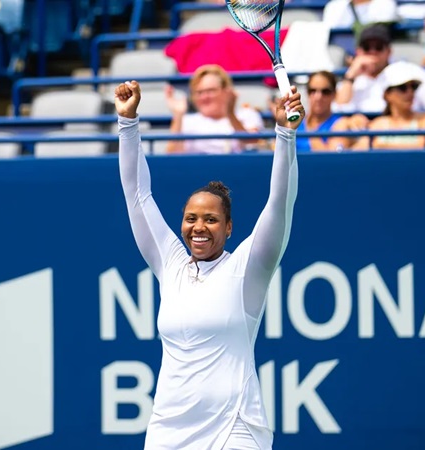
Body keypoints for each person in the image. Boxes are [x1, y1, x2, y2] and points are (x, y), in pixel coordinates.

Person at [115, 79, 304, 450]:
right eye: (191, 218)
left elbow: (280, 202)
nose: (198, 227)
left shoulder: (249, 268)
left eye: (211, 219)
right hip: (169, 429)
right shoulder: (169, 263)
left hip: (236, 427)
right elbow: (137, 196)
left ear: (230, 227)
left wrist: (285, 134)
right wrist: (128, 124)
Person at [334, 23, 425, 113]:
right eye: (367, 47)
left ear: (388, 51)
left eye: (379, 47)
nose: (373, 52)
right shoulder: (350, 78)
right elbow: (338, 109)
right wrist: (351, 76)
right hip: (359, 136)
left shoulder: (406, 70)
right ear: (358, 51)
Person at [165, 64, 264, 154]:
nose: (204, 97)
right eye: (199, 92)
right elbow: (172, 157)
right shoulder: (186, 121)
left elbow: (252, 141)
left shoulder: (247, 114)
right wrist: (178, 116)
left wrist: (230, 114)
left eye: (210, 91)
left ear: (226, 91)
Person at [352, 64, 425, 150]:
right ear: (387, 95)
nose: (410, 92)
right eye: (402, 88)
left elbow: (421, 146)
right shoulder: (378, 124)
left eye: (413, 87)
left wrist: (378, 145)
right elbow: (358, 149)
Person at [294, 70, 369, 152]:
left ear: (334, 94)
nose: (318, 97)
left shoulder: (341, 123)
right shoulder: (294, 123)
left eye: (325, 92)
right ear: (307, 93)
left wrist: (310, 129)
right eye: (313, 91)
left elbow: (329, 159)